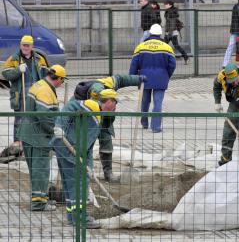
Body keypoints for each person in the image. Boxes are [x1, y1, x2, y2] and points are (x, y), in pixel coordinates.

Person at [50, 89, 118, 229]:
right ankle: (81, 219)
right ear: (109, 101)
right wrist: (59, 126)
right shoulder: (90, 106)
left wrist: (89, 165)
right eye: (115, 102)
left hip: (73, 150)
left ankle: (72, 217)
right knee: (78, 184)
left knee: (71, 184)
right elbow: (70, 107)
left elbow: (88, 143)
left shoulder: (99, 114)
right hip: (67, 148)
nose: (116, 106)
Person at [73, 74, 146, 182]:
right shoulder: (93, 93)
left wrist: (138, 79)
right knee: (85, 144)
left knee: (106, 140)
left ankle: (108, 173)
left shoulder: (108, 84)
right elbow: (97, 91)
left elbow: (121, 79)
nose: (116, 106)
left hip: (103, 117)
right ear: (107, 100)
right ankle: (83, 172)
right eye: (114, 102)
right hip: (85, 117)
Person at [17, 65, 67, 211]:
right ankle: (39, 204)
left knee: (35, 170)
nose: (61, 84)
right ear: (58, 79)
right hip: (38, 137)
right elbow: (44, 117)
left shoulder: (39, 84)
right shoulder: (45, 91)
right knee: (41, 170)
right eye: (62, 81)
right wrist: (54, 130)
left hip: (28, 134)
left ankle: (41, 198)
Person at [129, 24, 176, 133]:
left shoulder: (141, 46)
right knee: (157, 103)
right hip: (161, 78)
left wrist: (132, 77)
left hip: (144, 78)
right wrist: (166, 74)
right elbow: (172, 64)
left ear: (150, 33)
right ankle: (156, 127)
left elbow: (134, 64)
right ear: (160, 34)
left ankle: (144, 123)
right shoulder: (167, 47)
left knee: (145, 101)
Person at [2, 35, 48, 144]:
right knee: (20, 120)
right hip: (20, 95)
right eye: (23, 45)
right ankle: (18, 144)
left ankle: (33, 142)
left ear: (32, 46)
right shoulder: (13, 59)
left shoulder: (39, 59)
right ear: (20, 45)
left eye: (28, 45)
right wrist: (18, 70)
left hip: (36, 95)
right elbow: (5, 74)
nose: (25, 47)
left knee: (35, 118)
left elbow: (46, 73)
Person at [164, 0, 189, 64]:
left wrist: (169, 33)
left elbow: (172, 24)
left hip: (172, 33)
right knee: (173, 46)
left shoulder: (171, 12)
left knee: (172, 46)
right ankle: (185, 56)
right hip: (170, 32)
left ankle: (185, 56)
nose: (165, 5)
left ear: (170, 5)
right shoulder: (168, 11)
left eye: (166, 4)